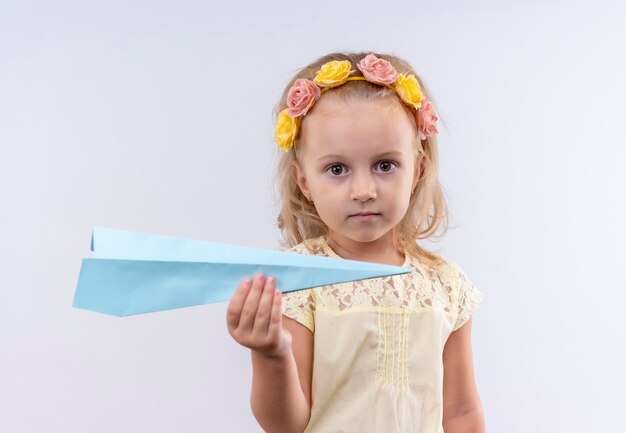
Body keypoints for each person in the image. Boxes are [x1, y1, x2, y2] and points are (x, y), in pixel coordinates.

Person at [226, 51, 485, 433]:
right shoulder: (300, 281)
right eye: (337, 169)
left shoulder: (446, 285)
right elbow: (286, 424)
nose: (363, 190)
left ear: (418, 170)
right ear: (305, 183)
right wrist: (271, 354)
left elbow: (461, 412)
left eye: (384, 165)